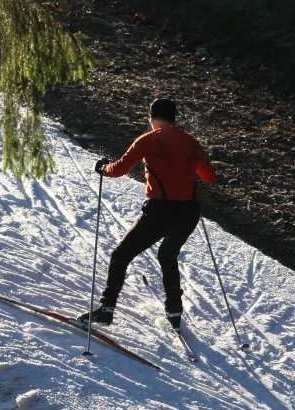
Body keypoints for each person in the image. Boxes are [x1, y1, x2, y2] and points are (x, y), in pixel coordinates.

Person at [78, 98, 216, 333]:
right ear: (174, 117)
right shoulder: (191, 142)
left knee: (121, 255)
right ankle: (174, 312)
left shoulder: (148, 140)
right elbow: (209, 177)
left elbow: (119, 169)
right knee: (168, 255)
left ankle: (106, 309)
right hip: (189, 211)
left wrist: (102, 168)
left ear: (151, 118)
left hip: (160, 210)